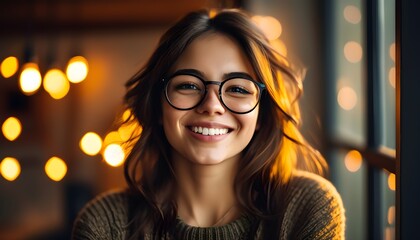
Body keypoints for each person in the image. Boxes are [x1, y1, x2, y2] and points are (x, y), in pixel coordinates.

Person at [72, 8, 345, 240]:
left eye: (238, 89)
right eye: (189, 85)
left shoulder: (308, 207)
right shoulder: (104, 225)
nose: (212, 105)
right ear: (158, 105)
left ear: (262, 114)